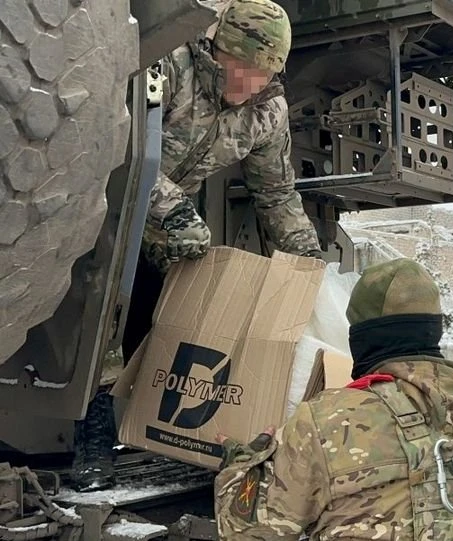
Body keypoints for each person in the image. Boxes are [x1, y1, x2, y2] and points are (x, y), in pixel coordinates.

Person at [70, 0, 321, 492]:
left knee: (182, 300)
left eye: (262, 73)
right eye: (241, 68)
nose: (248, 83)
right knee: (104, 314)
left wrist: (306, 262)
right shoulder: (170, 65)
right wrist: (174, 210)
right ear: (218, 50)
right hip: (111, 201)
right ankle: (92, 434)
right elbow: (119, 144)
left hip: (168, 220)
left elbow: (275, 192)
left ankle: (164, 425)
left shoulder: (266, 110)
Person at [213, 258, 453, 540]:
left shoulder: (325, 421)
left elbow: (251, 531)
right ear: (433, 329)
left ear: (363, 338)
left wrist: (240, 466)